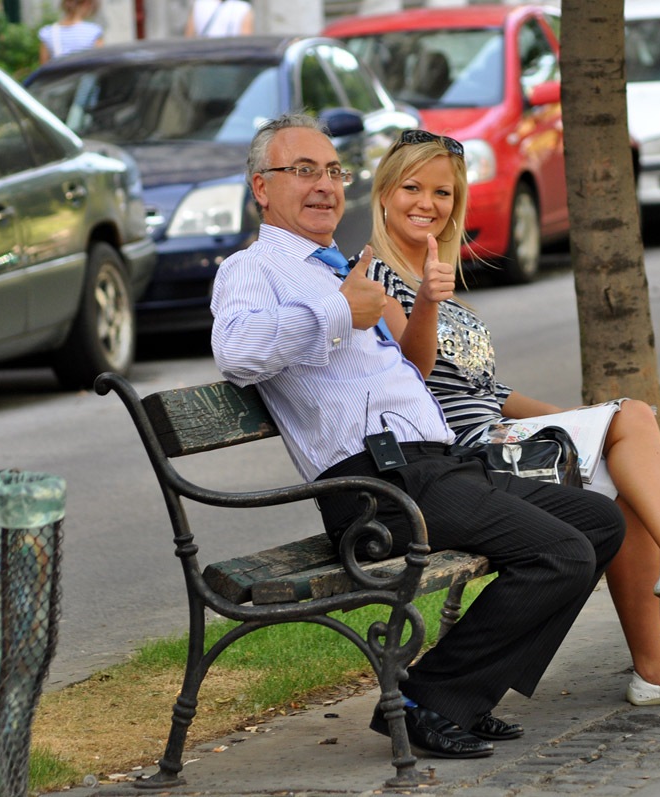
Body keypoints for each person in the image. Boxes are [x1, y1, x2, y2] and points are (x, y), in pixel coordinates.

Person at [210, 113, 625, 760]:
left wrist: (405, 302)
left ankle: (469, 693)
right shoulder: (253, 268)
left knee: (598, 522)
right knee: (561, 553)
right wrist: (339, 310)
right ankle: (425, 698)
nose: (324, 185)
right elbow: (236, 352)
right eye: (303, 171)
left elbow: (409, 371)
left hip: (436, 467)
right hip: (376, 486)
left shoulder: (342, 268)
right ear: (262, 188)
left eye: (333, 171)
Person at [364, 129, 660, 707]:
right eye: (412, 188)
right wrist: (424, 299)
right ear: (383, 193)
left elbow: (488, 390)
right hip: (463, 458)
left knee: (628, 445)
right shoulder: (375, 278)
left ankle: (658, 657)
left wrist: (580, 419)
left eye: (443, 193)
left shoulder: (441, 281)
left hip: (497, 436)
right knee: (629, 429)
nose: (428, 203)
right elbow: (410, 374)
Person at [37, 0, 103, 64]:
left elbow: (44, 67)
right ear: (87, 3)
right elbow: (101, 62)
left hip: (61, 71)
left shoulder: (48, 32)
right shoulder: (94, 31)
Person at [184, 0, 254, 38]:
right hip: (231, 57)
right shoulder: (243, 8)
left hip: (203, 57)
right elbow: (246, 44)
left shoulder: (198, 4)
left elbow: (189, 37)